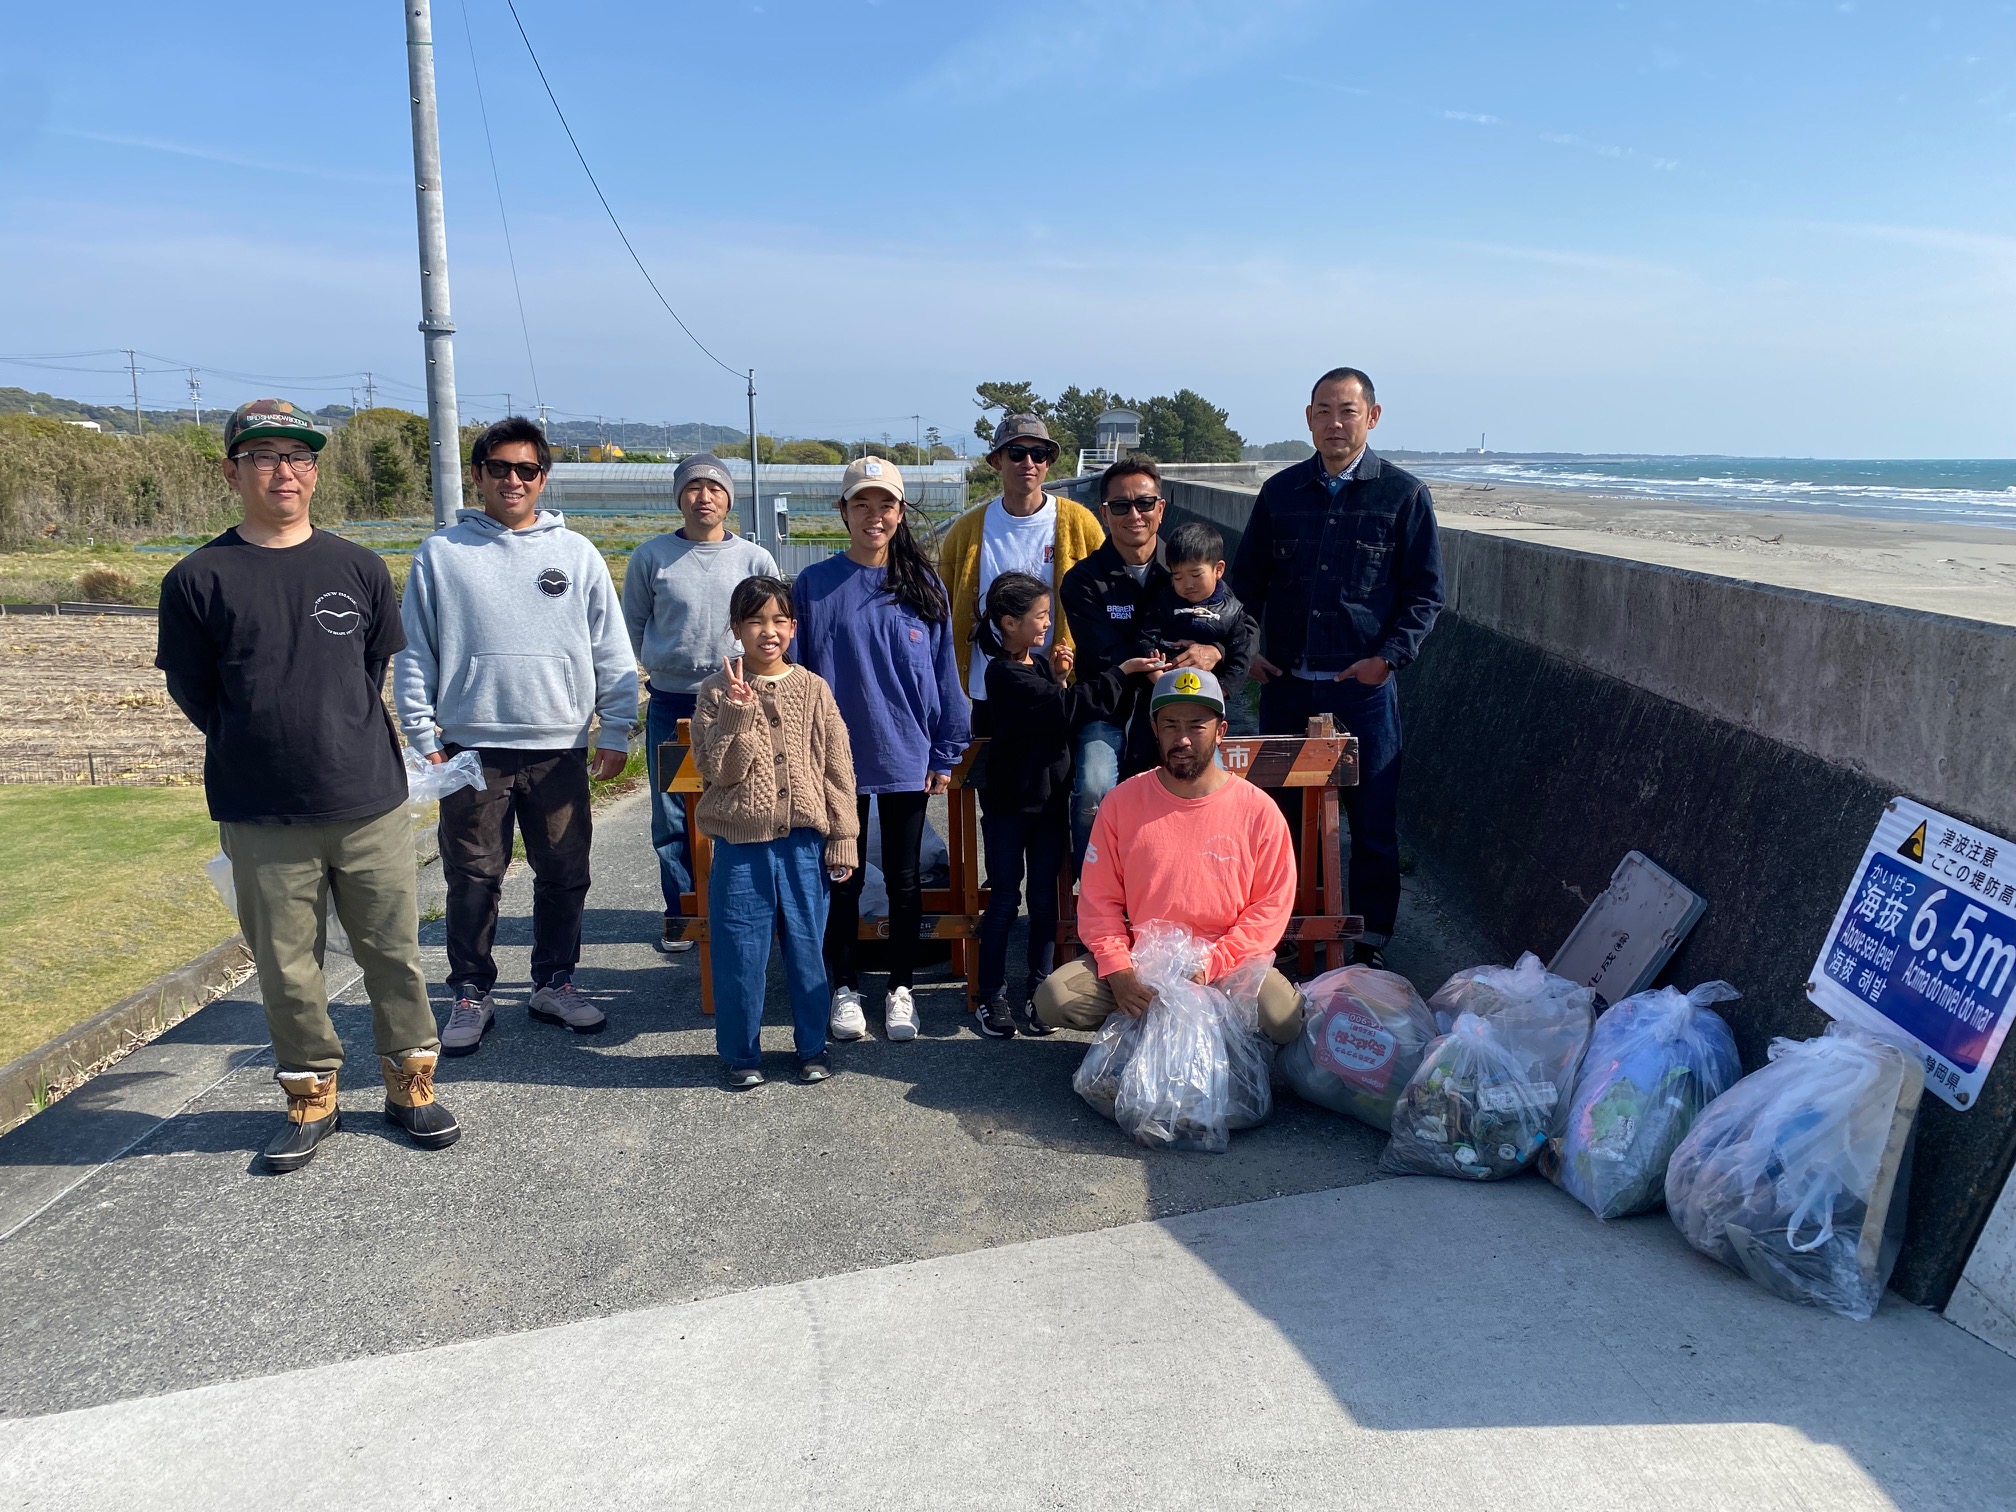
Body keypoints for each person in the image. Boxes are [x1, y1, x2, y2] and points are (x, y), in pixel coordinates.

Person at [156, 399, 457, 1172]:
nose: (283, 471)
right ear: (231, 471)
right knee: (287, 962)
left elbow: (370, 673)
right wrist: (257, 741)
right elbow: (194, 692)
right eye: (262, 456)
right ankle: (309, 1093)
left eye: (299, 456)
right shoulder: (198, 578)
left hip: (368, 799)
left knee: (393, 949)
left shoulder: (356, 566)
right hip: (259, 806)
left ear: (315, 471)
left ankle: (409, 1083)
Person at [395, 416, 638, 1052]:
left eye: (525, 470)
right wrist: (423, 732)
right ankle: (471, 993)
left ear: (543, 478)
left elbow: (609, 647)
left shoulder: (576, 553)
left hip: (559, 744)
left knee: (564, 870)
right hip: (471, 744)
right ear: (477, 475)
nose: (512, 480)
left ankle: (554, 981)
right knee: (473, 873)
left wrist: (615, 725)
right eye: (498, 468)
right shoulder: (442, 555)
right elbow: (414, 651)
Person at [1229, 367, 1444, 969]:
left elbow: (1426, 595)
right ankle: (1286, 929)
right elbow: (1243, 585)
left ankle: (1370, 941)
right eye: (1324, 411)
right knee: (1280, 821)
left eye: (1347, 411)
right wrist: (1246, 650)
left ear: (1372, 417)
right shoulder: (1280, 493)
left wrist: (1388, 660)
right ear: (1308, 418)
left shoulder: (1402, 495)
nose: (1335, 423)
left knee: (1372, 821)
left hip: (1363, 691)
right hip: (1287, 686)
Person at [795, 457, 969, 1042]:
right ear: (842, 511)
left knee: (903, 879)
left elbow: (945, 676)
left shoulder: (923, 586)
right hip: (834, 759)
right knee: (839, 873)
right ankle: (845, 987)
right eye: (861, 505)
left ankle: (900, 989)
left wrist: (945, 751)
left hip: (905, 753)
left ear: (900, 512)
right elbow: (796, 675)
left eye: (886, 505)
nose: (875, 516)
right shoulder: (814, 586)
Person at [1034, 667, 1305, 1044]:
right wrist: (1119, 971)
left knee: (1285, 1021)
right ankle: (1146, 1028)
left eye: (1197, 726)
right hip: (1143, 958)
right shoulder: (1121, 803)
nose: (1183, 739)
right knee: (1054, 999)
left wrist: (1213, 964)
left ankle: (1219, 1034)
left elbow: (1270, 909)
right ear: (1154, 729)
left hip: (1227, 962)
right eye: (1170, 725)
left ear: (1220, 731)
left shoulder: (1258, 810)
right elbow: (1099, 902)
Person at [971, 571, 1162, 1039]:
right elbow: (1066, 708)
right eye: (1039, 617)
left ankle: (1038, 989)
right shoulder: (1002, 673)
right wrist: (1123, 672)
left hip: (1047, 803)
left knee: (1043, 901)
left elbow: (1054, 698)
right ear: (1007, 623)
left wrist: (1055, 675)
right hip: (1010, 805)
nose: (1046, 624)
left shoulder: (1031, 666)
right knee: (1002, 900)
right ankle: (989, 994)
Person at [690, 576, 858, 1088]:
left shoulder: (812, 687)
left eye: (779, 620)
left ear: (793, 626)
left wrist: (843, 835)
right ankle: (741, 1056)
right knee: (740, 952)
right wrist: (738, 715)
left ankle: (812, 1046)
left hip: (804, 844)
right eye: (755, 620)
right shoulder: (716, 692)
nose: (769, 631)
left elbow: (837, 766)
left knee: (809, 948)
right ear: (736, 629)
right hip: (740, 848)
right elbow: (717, 770)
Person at [622, 453, 779, 956]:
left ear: (729, 498)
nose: (704, 497)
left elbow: (773, 624)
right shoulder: (652, 557)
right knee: (672, 813)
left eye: (715, 488)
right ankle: (683, 912)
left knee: (747, 801)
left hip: (739, 698)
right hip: (671, 703)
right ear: (679, 497)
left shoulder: (754, 559)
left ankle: (746, 906)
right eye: (693, 488)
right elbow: (631, 629)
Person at [936, 413, 1106, 703]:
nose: (1029, 463)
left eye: (1039, 454)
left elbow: (1106, 597)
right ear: (996, 461)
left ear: (1048, 463)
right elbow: (941, 604)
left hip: (1057, 684)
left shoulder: (1079, 523)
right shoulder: (967, 530)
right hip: (985, 688)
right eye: (1017, 453)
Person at [1057, 457, 1172, 860]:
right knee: (1094, 787)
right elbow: (1105, 651)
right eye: (1121, 506)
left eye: (1144, 503)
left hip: (1175, 707)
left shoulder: (1185, 568)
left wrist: (1216, 650)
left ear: (1161, 507)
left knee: (1197, 789)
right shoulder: (1082, 580)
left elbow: (1228, 619)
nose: (1134, 515)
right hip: (1106, 709)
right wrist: (1164, 663)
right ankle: (1092, 886)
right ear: (1104, 513)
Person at [1140, 520, 1258, 690]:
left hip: (1208, 695)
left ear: (1218, 570)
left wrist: (1221, 690)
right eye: (1178, 577)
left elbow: (1241, 656)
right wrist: (1156, 673)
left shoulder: (1232, 612)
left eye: (1196, 575)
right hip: (1162, 688)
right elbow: (1145, 637)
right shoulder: (1163, 602)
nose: (1188, 584)